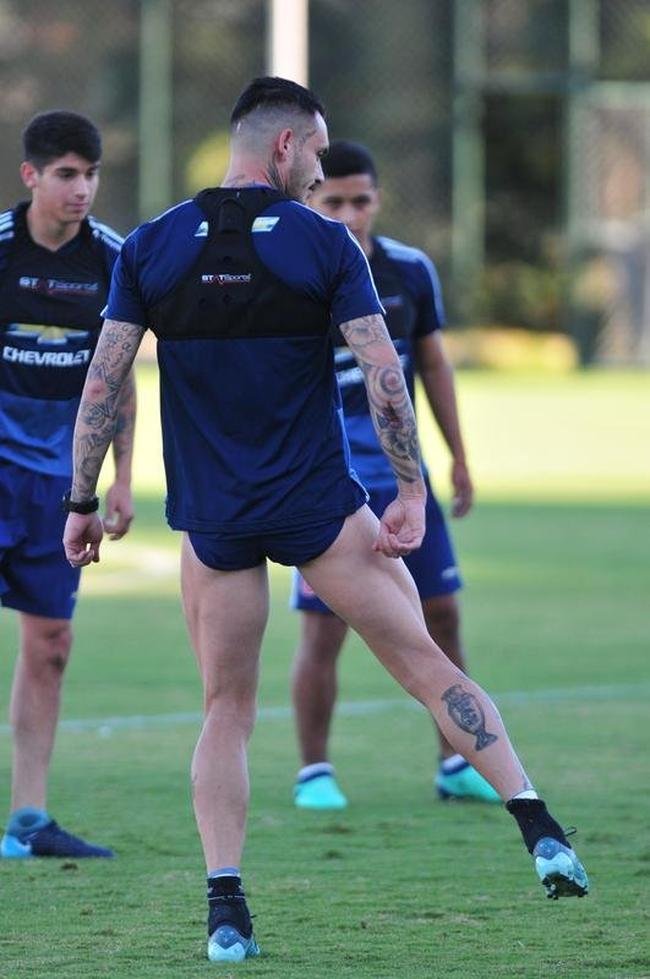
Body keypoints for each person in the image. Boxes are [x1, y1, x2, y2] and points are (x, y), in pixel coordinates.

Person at [62, 77, 588, 964]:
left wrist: (82, 501)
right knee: (427, 665)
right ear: (285, 147)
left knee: (226, 708)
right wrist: (411, 489)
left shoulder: (150, 245)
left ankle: (225, 910)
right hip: (318, 508)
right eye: (316, 149)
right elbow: (387, 375)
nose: (319, 168)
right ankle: (541, 827)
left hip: (217, 520)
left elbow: (103, 382)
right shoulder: (324, 242)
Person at [291, 140, 498, 810]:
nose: (349, 213)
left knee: (442, 613)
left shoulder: (410, 271)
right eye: (334, 201)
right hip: (333, 483)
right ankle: (315, 770)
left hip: (407, 479)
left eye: (360, 199)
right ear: (313, 201)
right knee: (325, 627)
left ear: (378, 199)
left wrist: (459, 455)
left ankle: (455, 760)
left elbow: (432, 366)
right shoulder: (297, 276)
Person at [0, 111, 136, 859]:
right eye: (66, 175)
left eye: (90, 174)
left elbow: (117, 375)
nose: (81, 189)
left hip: (60, 484)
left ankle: (27, 820)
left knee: (50, 642)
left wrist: (121, 477)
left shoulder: (113, 258)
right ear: (32, 176)